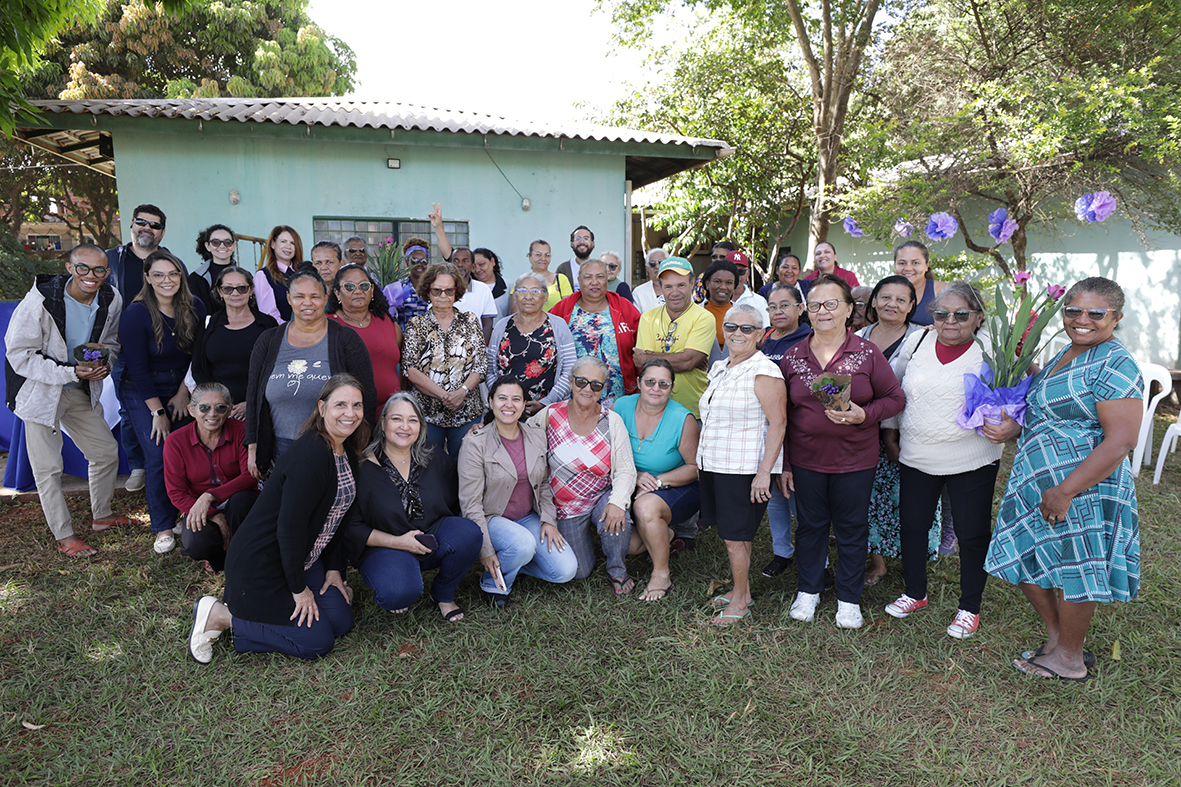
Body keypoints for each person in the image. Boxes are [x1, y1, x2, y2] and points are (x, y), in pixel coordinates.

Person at [983, 277, 1141, 681]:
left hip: (1082, 486)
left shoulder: (1115, 363)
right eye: (1073, 310)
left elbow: (1121, 440)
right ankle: (1059, 638)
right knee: (1025, 556)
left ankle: (1069, 659)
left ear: (1116, 317)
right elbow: (1049, 408)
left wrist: (1066, 490)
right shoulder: (1066, 352)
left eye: (1096, 313)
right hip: (1036, 480)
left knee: (1076, 569)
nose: (1082, 319)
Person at [187, 375, 368, 663]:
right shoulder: (311, 455)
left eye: (357, 405)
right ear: (322, 408)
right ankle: (222, 616)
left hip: (304, 558)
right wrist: (299, 590)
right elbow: (289, 529)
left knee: (340, 621)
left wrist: (334, 568)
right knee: (317, 642)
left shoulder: (344, 449)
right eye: (340, 405)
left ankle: (285, 608)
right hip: (265, 564)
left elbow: (337, 518)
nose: (350, 412)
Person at [779, 274, 904, 629]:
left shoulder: (866, 353)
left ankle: (848, 598)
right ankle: (809, 590)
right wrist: (785, 463)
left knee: (851, 528)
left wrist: (865, 415)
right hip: (806, 459)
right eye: (815, 305)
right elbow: (782, 415)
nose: (823, 311)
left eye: (832, 304)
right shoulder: (793, 356)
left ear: (849, 309)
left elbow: (895, 398)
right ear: (806, 311)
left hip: (855, 460)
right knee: (810, 526)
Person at [880, 282, 1001, 638]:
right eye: (941, 313)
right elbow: (894, 387)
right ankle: (914, 592)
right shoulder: (916, 342)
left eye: (961, 314)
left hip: (972, 457)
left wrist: (1009, 423)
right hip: (917, 453)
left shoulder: (991, 350)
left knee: (971, 533)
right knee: (913, 525)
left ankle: (969, 607)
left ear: (978, 317)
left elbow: (1013, 396)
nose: (950, 321)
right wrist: (889, 431)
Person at [4, 244, 128, 557]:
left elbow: (110, 343)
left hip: (78, 388)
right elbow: (19, 355)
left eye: (99, 270)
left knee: (105, 451)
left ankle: (102, 515)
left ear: (107, 272)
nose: (91, 275)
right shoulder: (40, 300)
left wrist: (104, 363)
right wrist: (71, 371)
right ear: (70, 268)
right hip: (40, 391)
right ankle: (65, 535)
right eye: (83, 268)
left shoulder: (111, 298)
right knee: (48, 468)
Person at [343, 392, 481, 622]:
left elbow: (456, 499)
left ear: (421, 426)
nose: (405, 427)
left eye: (413, 420)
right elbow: (352, 527)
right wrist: (398, 542)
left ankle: (442, 594)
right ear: (383, 422)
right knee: (397, 593)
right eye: (397, 419)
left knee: (469, 533)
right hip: (384, 546)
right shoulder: (361, 467)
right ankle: (400, 579)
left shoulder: (434, 456)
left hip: (429, 538)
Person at [698, 305, 786, 625]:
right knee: (735, 535)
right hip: (715, 463)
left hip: (743, 469)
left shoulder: (764, 371)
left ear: (760, 334)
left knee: (736, 538)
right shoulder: (720, 367)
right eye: (731, 326)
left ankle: (739, 601)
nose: (737, 333)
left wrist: (765, 473)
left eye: (747, 328)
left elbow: (779, 424)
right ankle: (743, 591)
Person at [245, 265, 376, 479]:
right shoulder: (268, 341)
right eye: (299, 296)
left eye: (314, 296)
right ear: (289, 298)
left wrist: (360, 446)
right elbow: (253, 397)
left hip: (333, 448)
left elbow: (367, 395)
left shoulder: (346, 340)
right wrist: (253, 447)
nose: (307, 303)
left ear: (325, 298)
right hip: (278, 450)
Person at [459, 377, 578, 608]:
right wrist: (486, 551)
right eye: (502, 398)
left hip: (526, 517)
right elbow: (470, 504)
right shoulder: (475, 444)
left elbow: (544, 484)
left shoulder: (536, 435)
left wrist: (548, 520)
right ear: (491, 402)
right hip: (491, 518)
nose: (509, 405)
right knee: (522, 544)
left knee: (565, 571)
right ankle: (492, 584)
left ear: (524, 405)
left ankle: (514, 562)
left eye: (516, 399)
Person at [120, 250, 206, 554]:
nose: (166, 280)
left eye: (172, 273)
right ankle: (163, 526)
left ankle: (183, 513)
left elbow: (198, 354)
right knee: (158, 453)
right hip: (142, 389)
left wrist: (184, 392)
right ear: (147, 278)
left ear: (181, 276)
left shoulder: (195, 306)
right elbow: (137, 368)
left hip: (182, 384)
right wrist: (158, 411)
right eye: (158, 274)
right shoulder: (136, 314)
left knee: (185, 452)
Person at [530, 357, 637, 595]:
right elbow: (521, 437)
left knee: (617, 518)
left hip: (600, 496)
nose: (588, 389)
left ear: (603, 389)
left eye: (596, 385)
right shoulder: (550, 415)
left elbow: (626, 469)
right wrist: (486, 432)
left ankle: (617, 570)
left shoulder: (612, 421)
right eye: (581, 382)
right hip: (565, 506)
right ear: (570, 382)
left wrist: (617, 502)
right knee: (580, 570)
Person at [855, 275, 930, 586]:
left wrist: (892, 434)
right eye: (886, 297)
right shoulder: (856, 338)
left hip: (907, 431)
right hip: (862, 430)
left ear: (912, 305)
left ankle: (914, 558)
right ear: (874, 301)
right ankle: (878, 561)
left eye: (901, 299)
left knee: (909, 498)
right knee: (869, 497)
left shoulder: (924, 338)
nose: (892, 304)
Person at [106, 204, 179, 494]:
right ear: (132, 225)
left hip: (164, 348)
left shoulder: (171, 263)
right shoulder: (113, 260)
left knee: (167, 407)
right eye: (141, 222)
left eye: (155, 225)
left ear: (162, 232)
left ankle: (164, 467)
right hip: (126, 347)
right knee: (129, 409)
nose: (147, 228)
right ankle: (137, 465)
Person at [614, 359, 700, 602]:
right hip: (632, 480)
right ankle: (666, 535)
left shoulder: (683, 419)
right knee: (630, 546)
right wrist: (636, 475)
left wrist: (657, 482)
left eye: (664, 384)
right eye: (650, 381)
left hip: (677, 484)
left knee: (645, 506)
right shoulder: (621, 406)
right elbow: (609, 450)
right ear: (639, 382)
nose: (656, 388)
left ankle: (661, 574)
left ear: (672, 387)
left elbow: (695, 468)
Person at [163, 382, 258, 571]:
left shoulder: (242, 431)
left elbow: (250, 476)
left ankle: (244, 556)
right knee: (197, 544)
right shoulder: (176, 441)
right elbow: (176, 493)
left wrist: (209, 496)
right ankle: (218, 559)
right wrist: (215, 516)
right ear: (191, 410)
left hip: (237, 499)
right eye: (204, 408)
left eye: (220, 408)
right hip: (198, 503)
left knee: (242, 501)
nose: (212, 414)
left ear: (229, 410)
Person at [756, 284, 812, 578]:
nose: (778, 311)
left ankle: (815, 561)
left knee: (797, 501)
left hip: (795, 432)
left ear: (800, 308)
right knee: (774, 499)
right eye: (772, 306)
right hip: (764, 431)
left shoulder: (808, 341)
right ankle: (782, 552)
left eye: (785, 305)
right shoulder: (764, 338)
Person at [402, 263, 485, 455]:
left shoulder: (470, 321)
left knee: (465, 465)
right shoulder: (416, 325)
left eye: (449, 291)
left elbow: (480, 365)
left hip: (466, 412)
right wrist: (445, 396)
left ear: (457, 292)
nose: (443, 296)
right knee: (429, 466)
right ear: (427, 291)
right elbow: (410, 369)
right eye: (437, 291)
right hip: (428, 414)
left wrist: (462, 392)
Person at [549, 259, 642, 405]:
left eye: (600, 276)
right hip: (572, 398)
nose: (594, 282)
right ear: (579, 281)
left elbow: (641, 348)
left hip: (618, 399)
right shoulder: (562, 309)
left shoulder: (624, 307)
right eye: (588, 277)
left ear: (607, 280)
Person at [191, 266, 278, 420]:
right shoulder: (207, 325)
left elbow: (276, 369)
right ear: (219, 291)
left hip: (260, 409)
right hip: (218, 412)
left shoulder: (267, 324)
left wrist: (252, 402)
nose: (235, 293)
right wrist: (220, 403)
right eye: (228, 289)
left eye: (242, 288)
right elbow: (198, 369)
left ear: (251, 290)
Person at [633, 257, 715, 419]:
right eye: (668, 286)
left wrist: (649, 356)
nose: (675, 292)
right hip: (654, 409)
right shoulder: (648, 317)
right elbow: (646, 367)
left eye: (681, 285)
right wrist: (680, 357)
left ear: (692, 284)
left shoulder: (704, 318)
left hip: (692, 410)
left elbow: (687, 361)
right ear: (661, 288)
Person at [486, 272, 576, 417]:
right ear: (515, 296)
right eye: (522, 291)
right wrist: (502, 400)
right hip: (506, 411)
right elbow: (490, 370)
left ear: (545, 297)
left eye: (535, 291)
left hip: (547, 411)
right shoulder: (502, 326)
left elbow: (569, 370)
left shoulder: (558, 326)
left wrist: (546, 403)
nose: (528, 297)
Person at [326, 264, 401, 407]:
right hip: (349, 412)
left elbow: (405, 366)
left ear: (372, 290)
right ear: (337, 293)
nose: (358, 291)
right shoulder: (327, 325)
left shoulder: (388, 322)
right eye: (349, 286)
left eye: (364, 286)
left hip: (391, 410)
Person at [428, 204, 497, 341]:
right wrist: (438, 226)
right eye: (456, 260)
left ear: (472, 266)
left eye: (465, 261)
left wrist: (479, 349)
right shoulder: (440, 289)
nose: (460, 264)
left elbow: (487, 325)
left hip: (474, 349)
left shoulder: (483, 290)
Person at [253, 225, 304, 322]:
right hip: (281, 329)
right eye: (283, 241)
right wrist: (292, 328)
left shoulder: (302, 273)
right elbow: (269, 315)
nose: (288, 246)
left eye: (293, 243)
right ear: (273, 244)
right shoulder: (263, 275)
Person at [893, 240, 947, 328]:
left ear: (926, 265)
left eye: (915, 263)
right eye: (902, 263)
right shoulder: (884, 292)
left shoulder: (943, 291)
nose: (908, 268)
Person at [385, 238, 432, 329]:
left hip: (429, 336)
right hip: (404, 335)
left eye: (424, 261)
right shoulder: (398, 287)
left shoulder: (433, 287)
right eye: (414, 261)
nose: (419, 264)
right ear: (407, 262)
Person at [189, 224, 237, 313]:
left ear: (234, 246)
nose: (222, 246)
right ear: (207, 246)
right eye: (216, 242)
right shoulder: (196, 279)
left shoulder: (244, 276)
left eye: (227, 242)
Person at [516, 240, 571, 312]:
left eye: (547, 255)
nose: (543, 258)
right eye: (538, 254)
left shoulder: (561, 279)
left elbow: (567, 309)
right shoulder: (521, 281)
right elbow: (516, 313)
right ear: (530, 257)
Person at [700, 259, 740, 348]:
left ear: (734, 286)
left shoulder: (743, 314)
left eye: (729, 283)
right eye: (717, 281)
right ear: (707, 284)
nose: (723, 287)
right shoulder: (695, 313)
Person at [726, 251, 769, 325]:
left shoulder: (759, 302)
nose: (737, 276)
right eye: (732, 271)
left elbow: (764, 330)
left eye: (741, 272)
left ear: (747, 273)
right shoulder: (712, 300)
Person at [472, 247, 509, 317]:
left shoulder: (509, 287)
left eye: (481, 264)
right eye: (473, 267)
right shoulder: (468, 288)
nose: (477, 270)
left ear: (492, 261)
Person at [556, 225, 595, 291]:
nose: (582, 242)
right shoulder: (563, 269)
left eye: (586, 238)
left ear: (592, 243)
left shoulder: (599, 268)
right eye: (578, 238)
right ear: (572, 244)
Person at [632, 248, 668, 313]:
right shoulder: (639, 292)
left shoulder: (680, 288)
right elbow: (636, 317)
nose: (657, 266)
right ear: (647, 268)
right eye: (652, 264)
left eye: (661, 262)